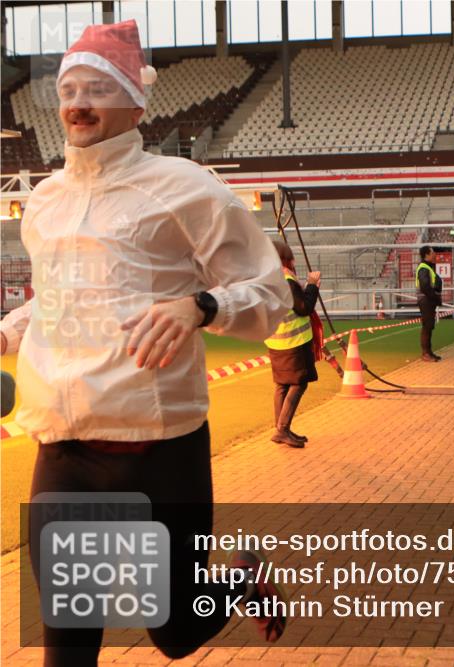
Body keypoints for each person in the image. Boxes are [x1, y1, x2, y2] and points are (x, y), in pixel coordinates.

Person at [0, 20, 291, 665]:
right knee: (67, 646)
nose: (79, 104)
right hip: (63, 453)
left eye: (98, 90)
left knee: (176, 634)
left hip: (157, 450)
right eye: (69, 90)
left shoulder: (185, 186)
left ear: (135, 103)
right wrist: (8, 331)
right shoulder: (44, 202)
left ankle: (241, 580)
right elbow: (61, 298)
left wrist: (202, 305)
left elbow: (270, 293)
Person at [265, 240, 321, 448]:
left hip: (276, 340)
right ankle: (282, 430)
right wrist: (312, 286)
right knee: (298, 383)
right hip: (293, 342)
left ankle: (282, 428)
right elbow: (304, 307)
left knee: (282, 385)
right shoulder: (286, 280)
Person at [416, 245, 443, 362]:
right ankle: (426, 353)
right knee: (427, 326)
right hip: (426, 300)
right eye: (432, 253)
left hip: (428, 299)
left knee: (429, 326)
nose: (434, 254)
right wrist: (435, 298)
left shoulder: (428, 267)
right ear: (426, 255)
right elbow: (425, 287)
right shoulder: (423, 268)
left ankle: (429, 352)